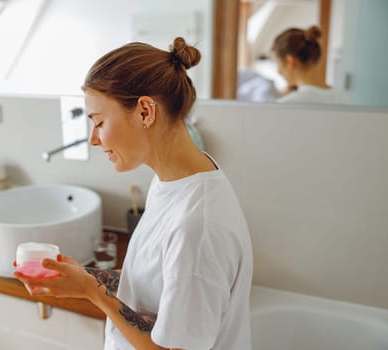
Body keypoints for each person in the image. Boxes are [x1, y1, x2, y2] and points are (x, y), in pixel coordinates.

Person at [13, 37, 253, 350]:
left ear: (144, 112)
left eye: (99, 122)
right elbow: (158, 282)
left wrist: (92, 292)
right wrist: (86, 278)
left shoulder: (197, 225)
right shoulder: (175, 182)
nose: (93, 140)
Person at [272, 25, 346, 104]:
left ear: (290, 61)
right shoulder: (343, 97)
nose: (278, 71)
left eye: (278, 64)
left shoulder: (284, 105)